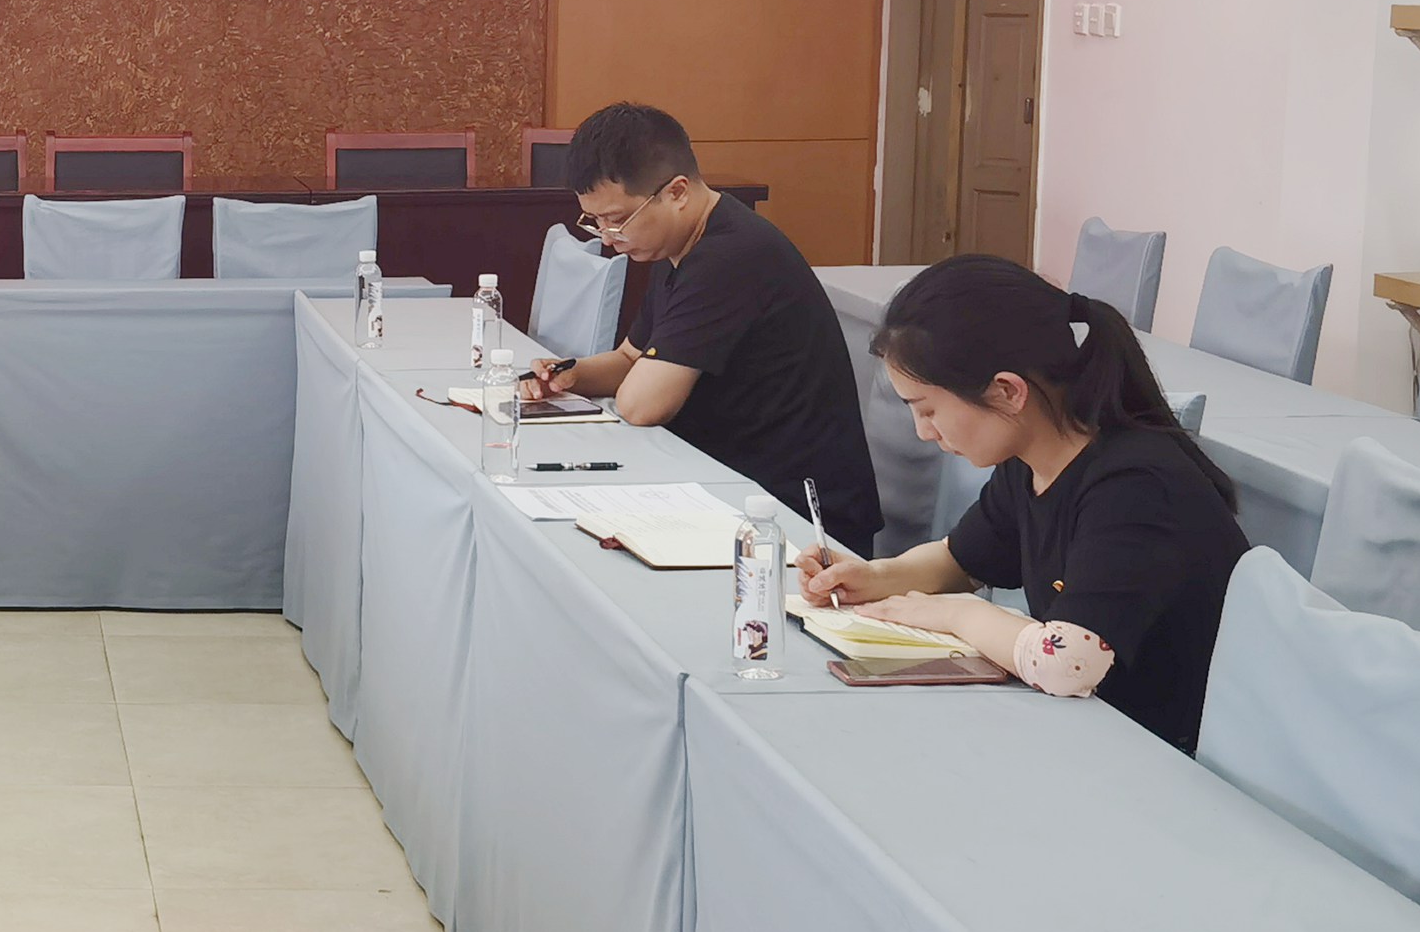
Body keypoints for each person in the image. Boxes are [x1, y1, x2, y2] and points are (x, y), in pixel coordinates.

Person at [797, 251, 1251, 750]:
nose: (923, 432)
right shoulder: (1032, 459)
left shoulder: (1136, 487)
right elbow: (959, 560)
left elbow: (1068, 662)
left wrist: (954, 615)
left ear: (1008, 391)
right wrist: (874, 578)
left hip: (1168, 755)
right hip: (1093, 732)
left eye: (927, 410)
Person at [521, 100, 881, 553]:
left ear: (676, 192)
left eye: (617, 220)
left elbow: (642, 406)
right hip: (731, 485)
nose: (609, 240)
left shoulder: (731, 257)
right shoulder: (680, 241)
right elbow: (631, 357)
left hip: (795, 521)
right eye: (596, 222)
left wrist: (625, 383)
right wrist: (570, 376)